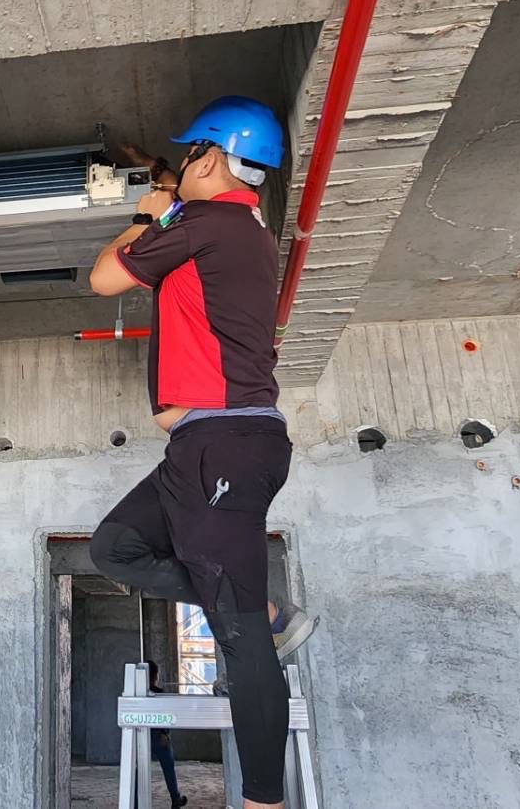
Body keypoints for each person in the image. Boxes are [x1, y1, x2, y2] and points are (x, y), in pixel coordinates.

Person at [87, 96, 318, 809]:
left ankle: (263, 800)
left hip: (224, 445)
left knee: (239, 638)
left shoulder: (206, 222)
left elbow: (103, 278)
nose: (183, 167)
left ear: (212, 159)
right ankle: (263, 609)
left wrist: (150, 209)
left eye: (192, 155)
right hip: (203, 448)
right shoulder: (237, 225)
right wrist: (167, 185)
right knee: (116, 547)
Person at [147, 660, 190, 808]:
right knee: (168, 768)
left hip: (142, 735)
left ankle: (134, 802)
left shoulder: (138, 694)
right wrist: (166, 734)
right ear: (155, 676)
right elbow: (167, 717)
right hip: (159, 736)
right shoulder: (159, 694)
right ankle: (175, 799)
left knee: (138, 771)